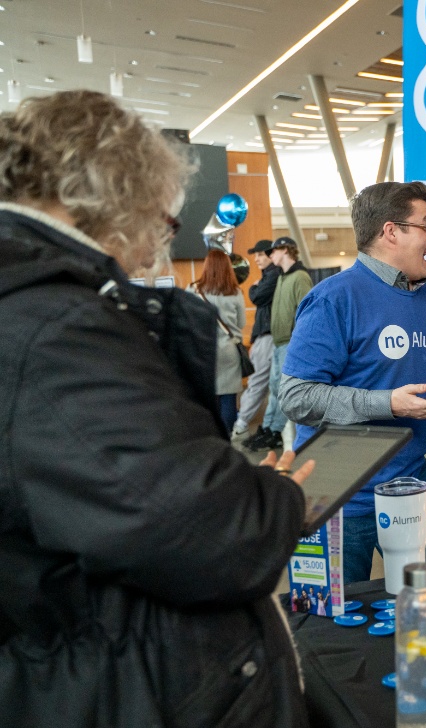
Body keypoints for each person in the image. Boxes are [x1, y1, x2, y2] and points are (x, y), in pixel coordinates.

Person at [0, 90, 314, 726]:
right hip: (115, 687)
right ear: (112, 190)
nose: (153, 245)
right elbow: (211, 531)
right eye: (159, 216)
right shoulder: (55, 323)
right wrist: (272, 496)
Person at [280, 181, 426, 584]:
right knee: (326, 625)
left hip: (410, 483)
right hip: (330, 495)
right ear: (391, 231)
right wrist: (388, 404)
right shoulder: (333, 299)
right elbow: (296, 397)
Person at [250, 235, 311, 451]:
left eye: (273, 251)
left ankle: (275, 430)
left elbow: (308, 313)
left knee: (282, 389)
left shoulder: (299, 277)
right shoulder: (284, 277)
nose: (270, 256)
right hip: (280, 342)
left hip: (289, 343)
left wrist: (297, 340)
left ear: (284, 250)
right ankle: (270, 429)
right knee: (274, 388)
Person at [188, 248, 246, 431]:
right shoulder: (235, 292)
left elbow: (187, 321)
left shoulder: (193, 289)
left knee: (207, 397)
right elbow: (241, 322)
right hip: (229, 351)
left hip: (203, 350)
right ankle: (227, 437)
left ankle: (211, 437)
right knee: (228, 399)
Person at [235, 238, 281, 441]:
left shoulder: (273, 275)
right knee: (265, 383)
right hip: (265, 337)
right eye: (255, 255)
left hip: (270, 337)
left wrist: (254, 288)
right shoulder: (269, 275)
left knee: (258, 382)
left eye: (261, 254)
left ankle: (241, 424)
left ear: (272, 255)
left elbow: (257, 297)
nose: (256, 259)